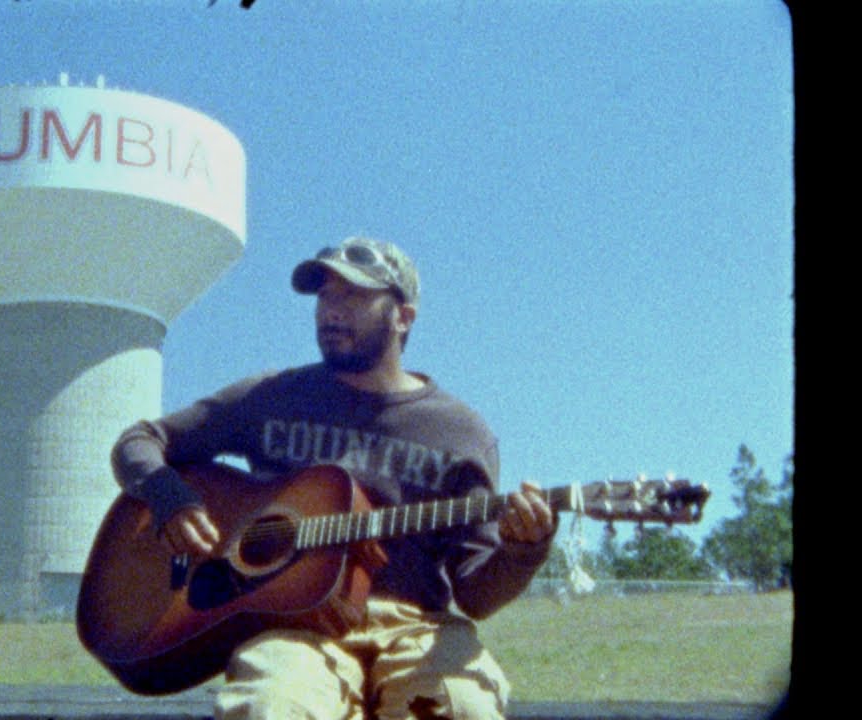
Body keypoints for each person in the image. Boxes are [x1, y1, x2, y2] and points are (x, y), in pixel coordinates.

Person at [110, 236, 557, 720]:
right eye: (324, 296)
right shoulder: (273, 396)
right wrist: (170, 497)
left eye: (354, 296)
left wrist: (523, 550)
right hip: (292, 630)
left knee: (463, 706)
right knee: (269, 707)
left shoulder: (460, 432)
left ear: (403, 316)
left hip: (418, 627)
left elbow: (476, 594)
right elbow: (140, 441)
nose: (331, 310)